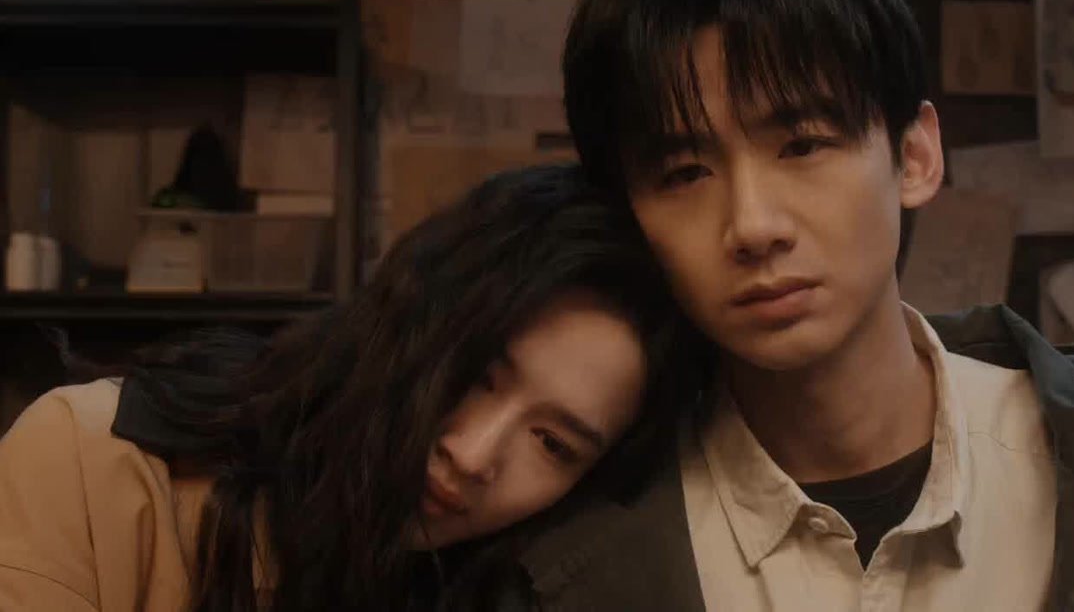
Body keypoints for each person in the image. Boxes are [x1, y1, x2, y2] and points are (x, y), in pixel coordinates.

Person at [492, 0, 1074, 611]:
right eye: (685, 173)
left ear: (915, 156)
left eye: (803, 145)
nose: (752, 226)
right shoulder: (582, 539)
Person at [0, 163, 705, 612]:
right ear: (405, 316)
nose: (473, 456)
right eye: (474, 374)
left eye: (552, 445)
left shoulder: (516, 583)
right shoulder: (94, 463)